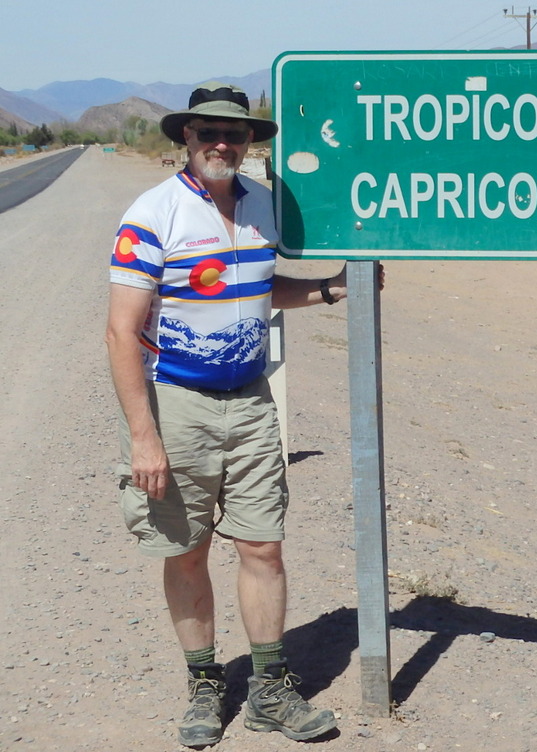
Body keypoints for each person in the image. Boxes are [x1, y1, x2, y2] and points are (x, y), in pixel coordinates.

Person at [106, 82, 381, 748]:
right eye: (209, 133)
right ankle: (205, 685)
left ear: (250, 142)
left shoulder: (263, 206)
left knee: (263, 546)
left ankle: (269, 691)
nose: (222, 144)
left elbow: (258, 290)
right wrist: (145, 437)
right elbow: (121, 331)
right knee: (188, 551)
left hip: (253, 402)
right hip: (176, 404)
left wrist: (326, 289)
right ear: (187, 139)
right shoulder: (153, 214)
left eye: (235, 134)